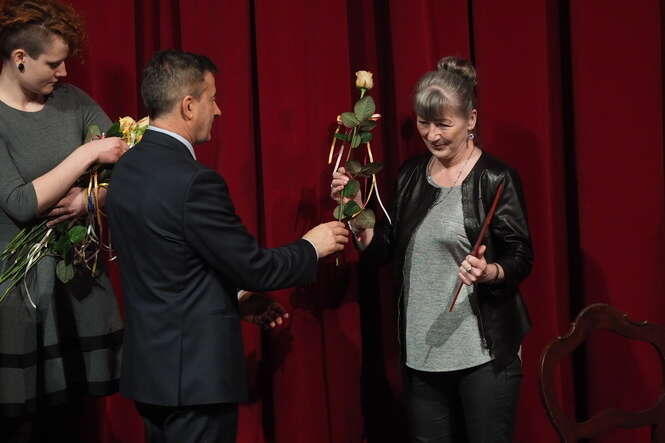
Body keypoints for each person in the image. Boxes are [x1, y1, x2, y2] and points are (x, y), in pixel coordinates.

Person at [106, 49, 349, 443]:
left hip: (151, 376)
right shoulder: (194, 182)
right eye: (212, 98)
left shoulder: (126, 169)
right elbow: (256, 267)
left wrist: (233, 299)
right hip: (195, 382)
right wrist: (311, 246)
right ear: (189, 106)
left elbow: (169, 267)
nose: (218, 111)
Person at [331, 56, 533, 442]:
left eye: (443, 124)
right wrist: (356, 212)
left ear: (471, 120)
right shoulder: (410, 175)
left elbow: (521, 257)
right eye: (424, 123)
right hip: (422, 353)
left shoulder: (495, 178)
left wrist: (489, 271)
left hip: (483, 353)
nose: (432, 135)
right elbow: (385, 249)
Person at [0, 1, 128, 441]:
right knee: (19, 424)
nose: (65, 72)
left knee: (73, 423)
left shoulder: (74, 103)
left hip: (75, 290)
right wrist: (88, 153)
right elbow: (21, 202)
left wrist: (89, 200)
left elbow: (128, 171)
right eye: (53, 63)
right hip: (17, 297)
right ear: (20, 58)